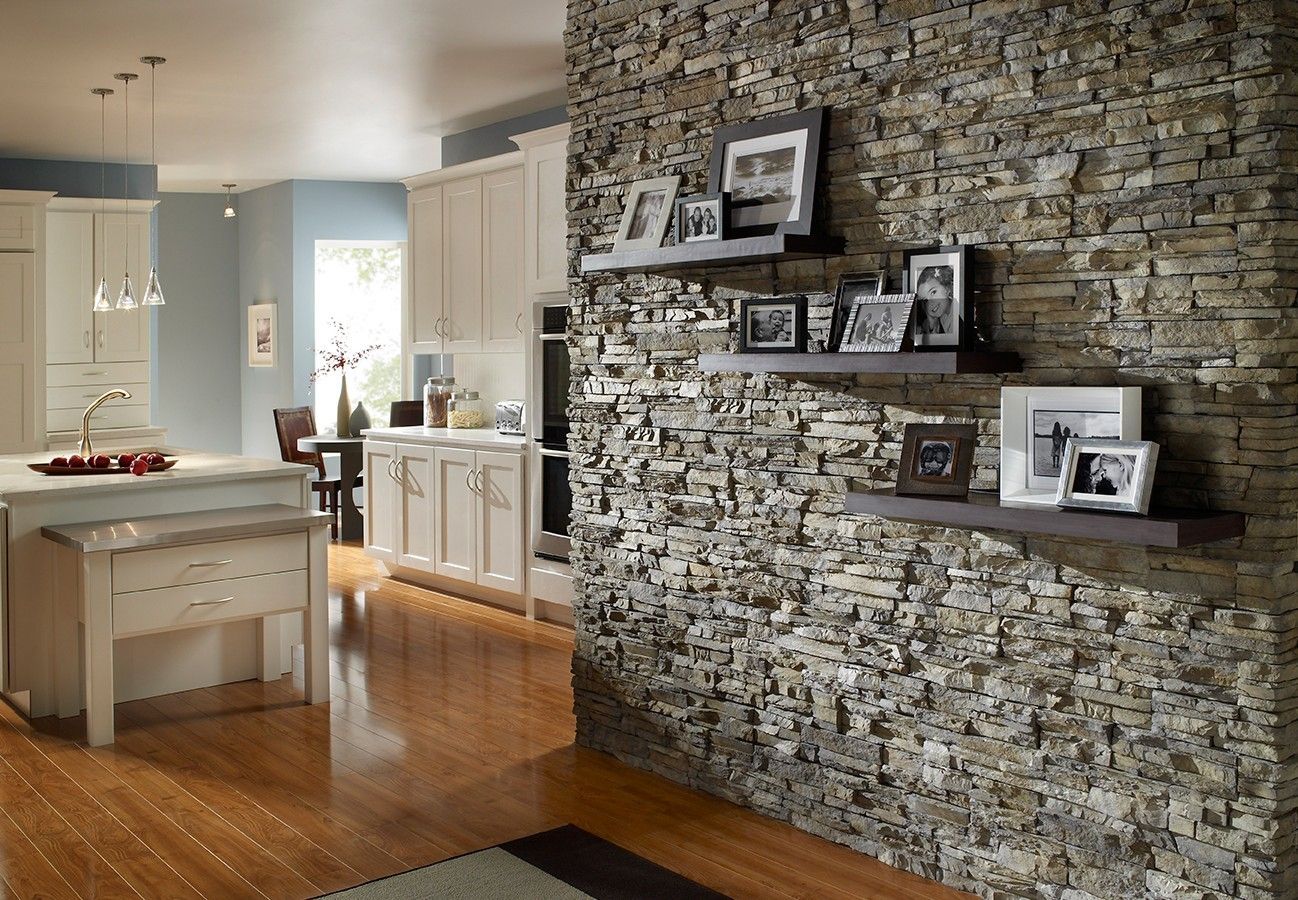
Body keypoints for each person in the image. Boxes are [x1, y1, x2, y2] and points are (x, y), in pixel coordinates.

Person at [915, 265, 954, 335]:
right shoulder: (941, 318)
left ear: (947, 288)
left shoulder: (956, 312)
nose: (931, 302)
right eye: (925, 300)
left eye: (933, 292)